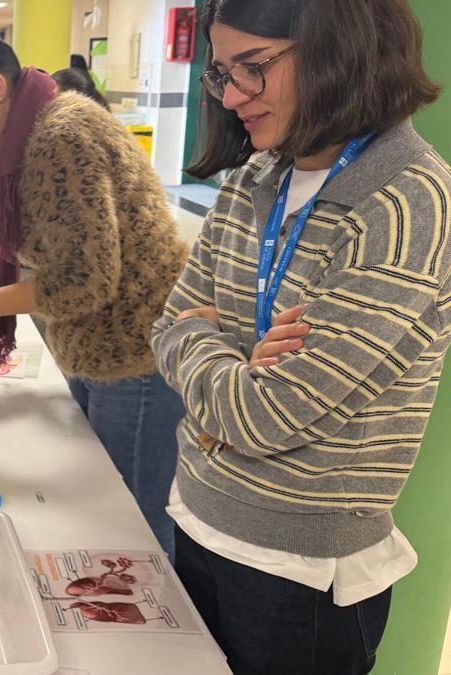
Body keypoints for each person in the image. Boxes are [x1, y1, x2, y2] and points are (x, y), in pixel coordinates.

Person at [151, 0, 447, 672]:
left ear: (337, 47)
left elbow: (266, 414)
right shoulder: (259, 174)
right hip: (198, 517)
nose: (231, 98)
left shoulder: (405, 205)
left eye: (252, 68)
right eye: (221, 74)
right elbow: (168, 325)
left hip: (302, 575)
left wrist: (207, 345)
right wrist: (224, 355)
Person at [0, 30, 189, 559]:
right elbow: (78, 237)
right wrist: (5, 251)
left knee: (132, 525)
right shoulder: (36, 127)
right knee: (103, 510)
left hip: (133, 351)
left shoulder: (59, 136)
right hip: (102, 346)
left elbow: (84, 279)